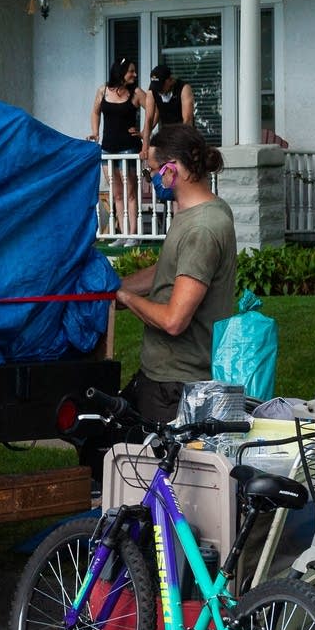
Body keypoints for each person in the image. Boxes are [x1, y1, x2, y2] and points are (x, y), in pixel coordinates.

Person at [110, 123, 236, 423]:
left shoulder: (202, 229)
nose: (151, 179)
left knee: (157, 468)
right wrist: (112, 288)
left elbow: (174, 320)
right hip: (161, 376)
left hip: (177, 386)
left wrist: (126, 297)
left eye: (152, 170)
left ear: (173, 168)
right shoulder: (197, 212)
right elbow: (168, 270)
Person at [88, 58, 148, 241]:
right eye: (131, 71)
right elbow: (95, 111)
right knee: (117, 193)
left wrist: (144, 132)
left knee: (130, 193)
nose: (134, 75)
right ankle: (122, 234)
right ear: (121, 72)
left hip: (128, 149)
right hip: (108, 149)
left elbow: (154, 112)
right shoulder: (103, 90)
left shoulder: (136, 93)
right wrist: (95, 132)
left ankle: (133, 235)